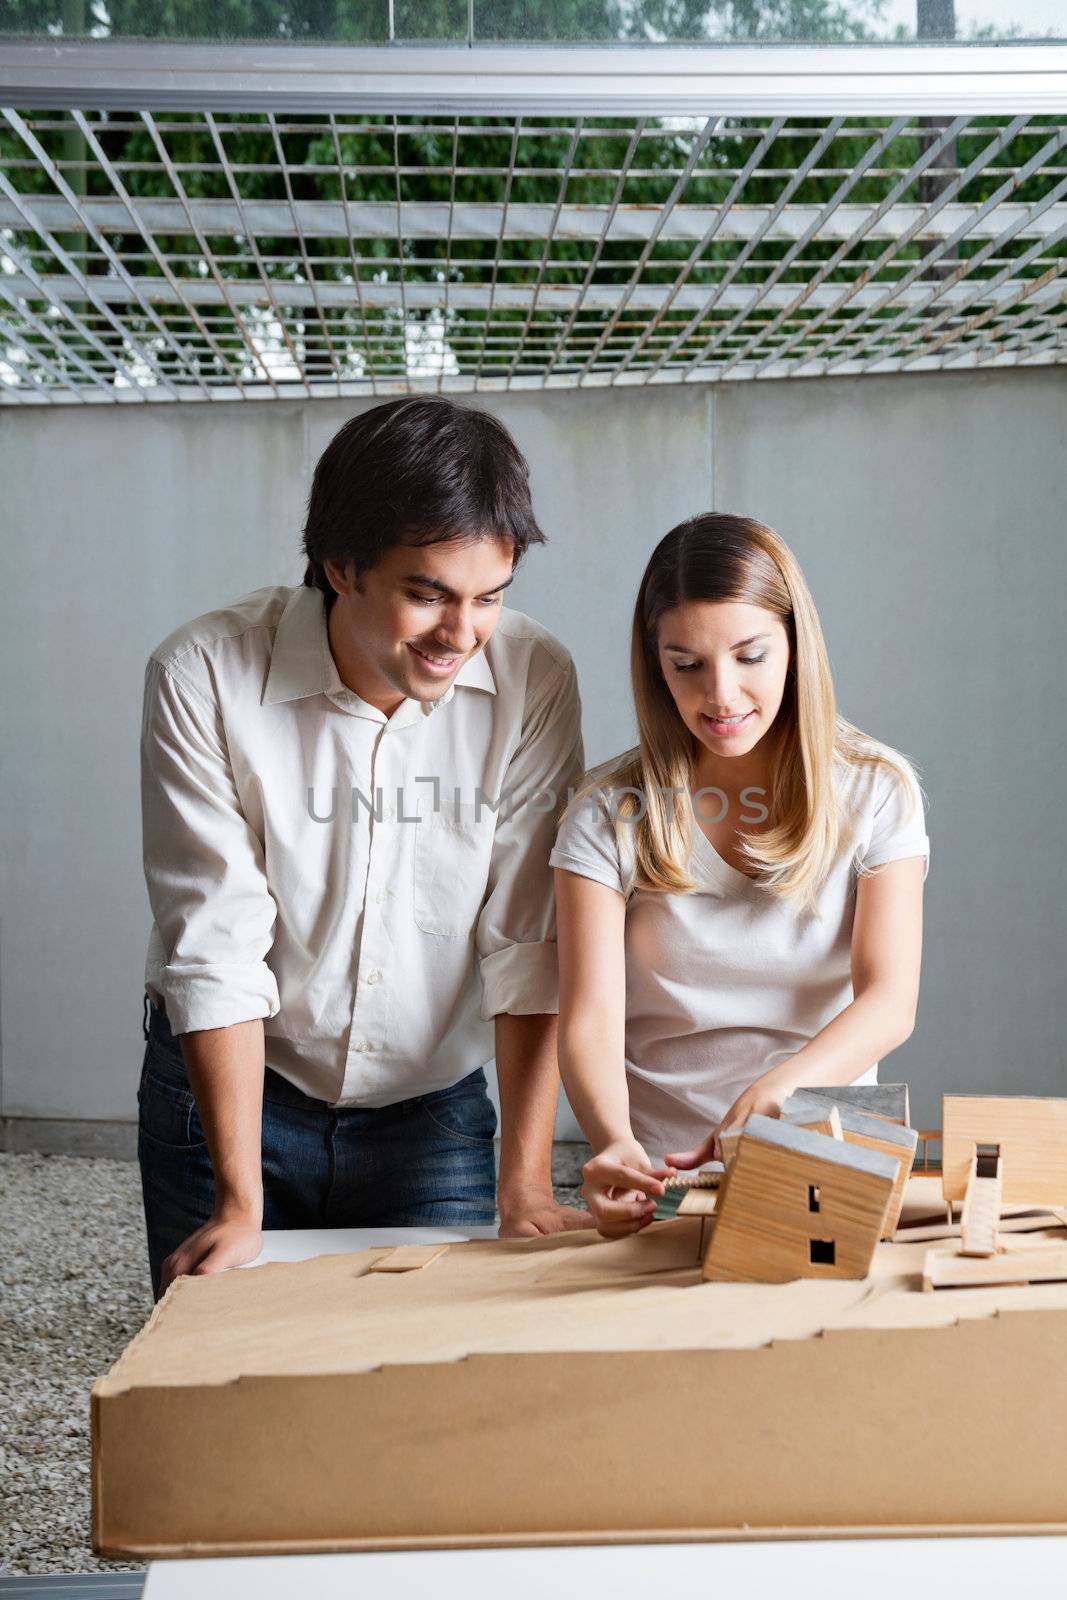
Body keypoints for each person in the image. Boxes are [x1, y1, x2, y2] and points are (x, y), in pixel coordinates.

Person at [139, 397, 588, 1298]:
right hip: (230, 1094)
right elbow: (215, 939)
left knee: (425, 1409)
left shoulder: (535, 678)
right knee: (219, 1396)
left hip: (434, 1114)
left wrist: (527, 1181)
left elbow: (527, 941)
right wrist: (239, 1200)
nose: (461, 636)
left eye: (488, 598)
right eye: (427, 595)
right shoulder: (202, 673)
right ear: (339, 566)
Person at [550, 513, 929, 1239]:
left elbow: (889, 1001)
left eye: (749, 655)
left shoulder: (877, 789)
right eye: (685, 664)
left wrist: (778, 1091)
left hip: (830, 1162)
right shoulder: (606, 812)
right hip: (665, 1180)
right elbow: (589, 1018)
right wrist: (611, 1143)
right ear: (654, 665)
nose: (720, 696)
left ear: (795, 645)